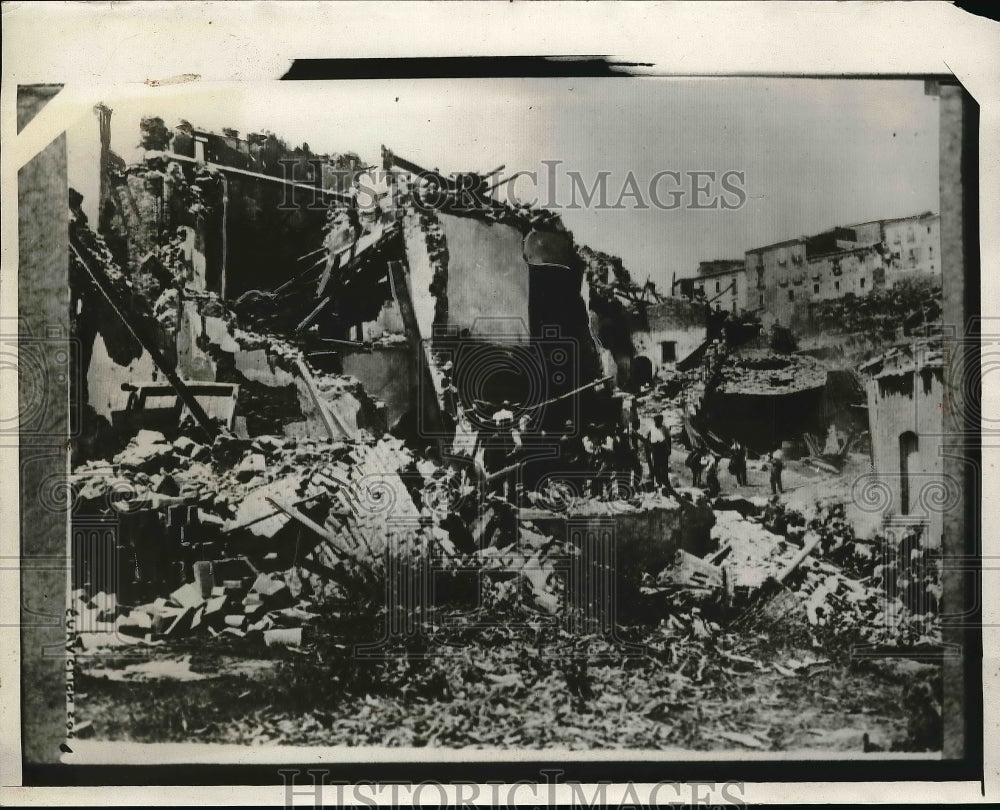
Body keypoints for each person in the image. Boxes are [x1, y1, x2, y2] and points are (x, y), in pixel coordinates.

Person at [645, 414, 672, 492]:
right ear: (655, 421)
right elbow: (647, 438)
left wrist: (669, 449)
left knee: (664, 465)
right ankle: (658, 481)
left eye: (660, 421)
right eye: (657, 421)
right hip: (655, 447)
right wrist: (649, 447)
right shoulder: (651, 428)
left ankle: (665, 482)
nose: (658, 422)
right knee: (656, 465)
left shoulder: (665, 428)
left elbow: (669, 439)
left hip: (663, 447)